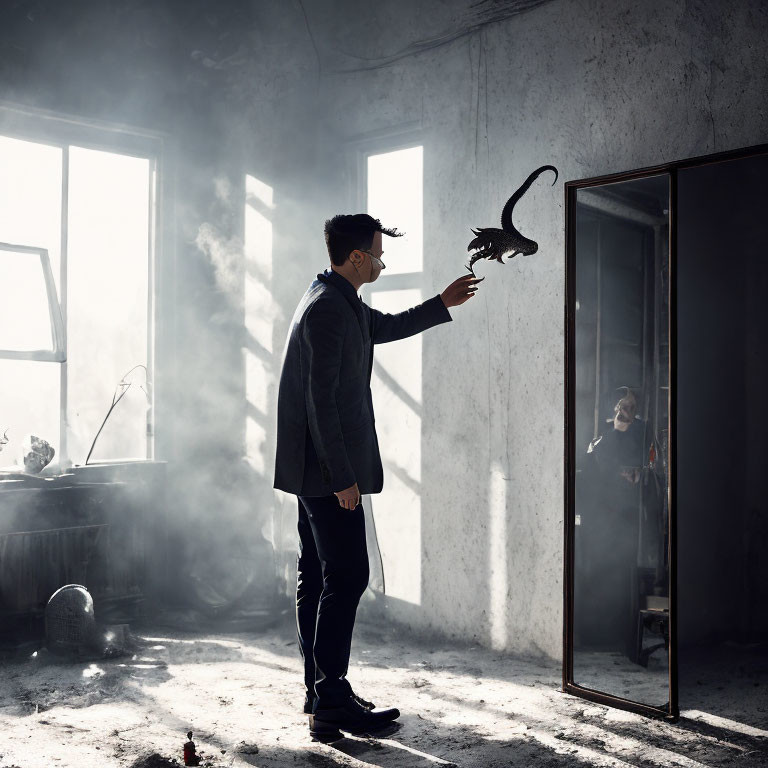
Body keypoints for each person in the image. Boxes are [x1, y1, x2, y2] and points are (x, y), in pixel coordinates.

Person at [273, 213, 479, 741]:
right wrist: (342, 477)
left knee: (319, 576)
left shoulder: (341, 301)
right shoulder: (326, 310)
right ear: (358, 257)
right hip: (325, 474)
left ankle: (322, 692)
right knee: (347, 576)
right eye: (379, 252)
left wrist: (441, 303)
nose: (384, 261)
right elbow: (321, 403)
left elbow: (384, 328)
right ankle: (331, 700)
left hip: (314, 471)